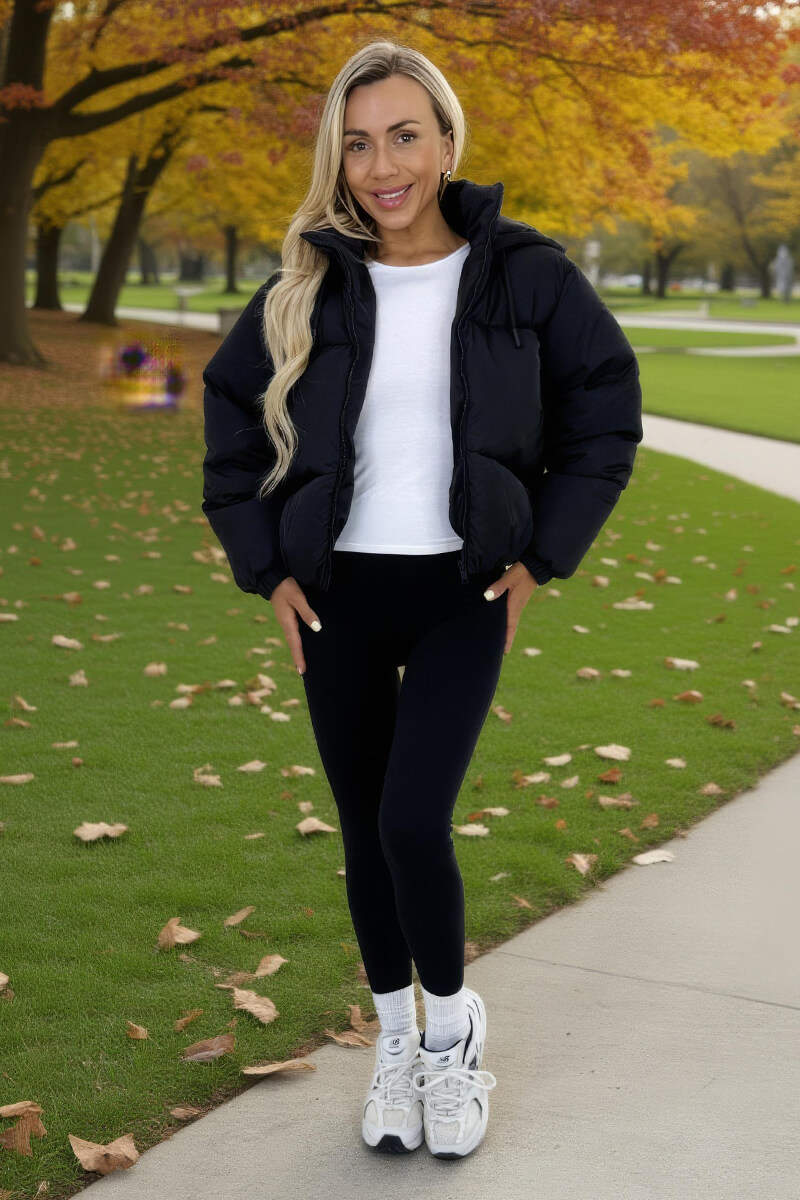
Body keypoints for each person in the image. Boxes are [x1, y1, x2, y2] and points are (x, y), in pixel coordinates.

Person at [201, 40, 643, 1161]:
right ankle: (394, 1043)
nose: (381, 165)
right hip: (338, 593)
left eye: (404, 136)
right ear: (336, 159)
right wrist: (267, 568)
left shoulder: (525, 273)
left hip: (460, 588)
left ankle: (451, 1036)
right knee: (364, 831)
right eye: (356, 144)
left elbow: (604, 414)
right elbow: (230, 426)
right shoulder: (306, 283)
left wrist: (541, 556)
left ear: (447, 140)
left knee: (410, 820)